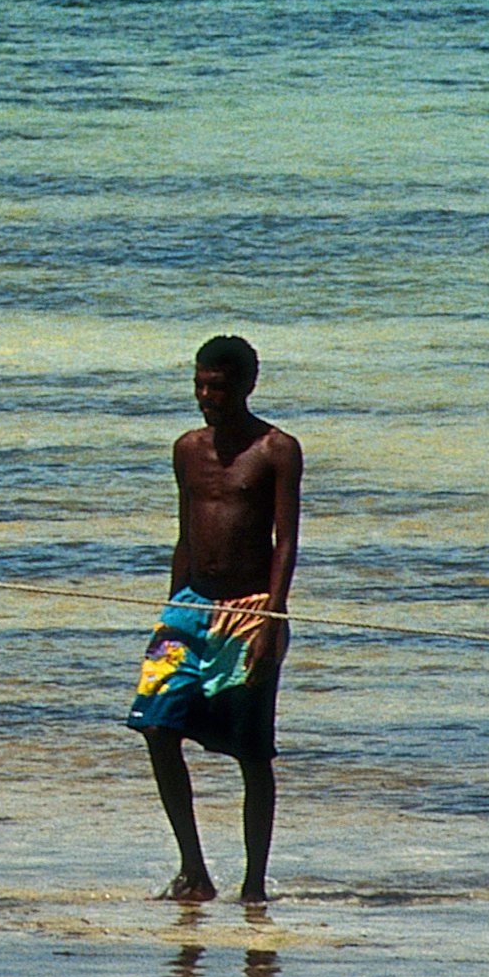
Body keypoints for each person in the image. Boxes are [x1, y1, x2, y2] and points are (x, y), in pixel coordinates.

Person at [144, 333, 301, 904]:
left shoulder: (277, 450)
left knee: (252, 753)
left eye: (218, 387)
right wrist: (170, 609)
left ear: (246, 386)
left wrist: (273, 619)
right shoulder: (187, 449)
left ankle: (254, 884)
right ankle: (194, 871)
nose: (206, 397)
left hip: (249, 610)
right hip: (190, 605)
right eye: (200, 385)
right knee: (158, 728)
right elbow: (185, 533)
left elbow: (286, 541)